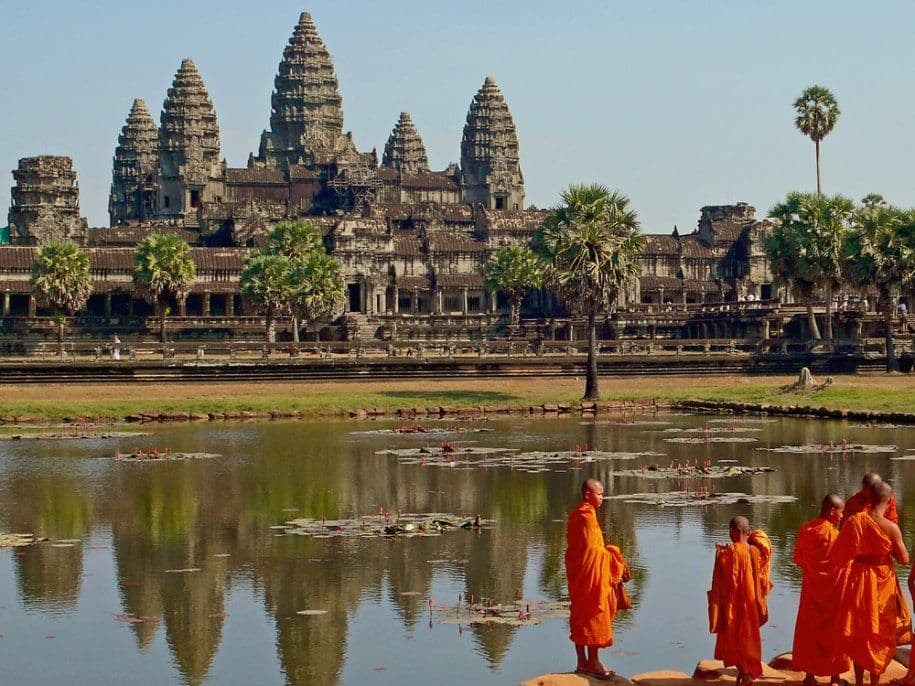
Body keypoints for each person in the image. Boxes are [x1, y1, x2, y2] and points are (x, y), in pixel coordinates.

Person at [830, 482, 911, 686]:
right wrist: (888, 550)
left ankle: (859, 681)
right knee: (879, 633)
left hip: (859, 580)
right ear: (889, 500)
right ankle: (873, 682)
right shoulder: (892, 528)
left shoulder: (854, 521)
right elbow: (904, 559)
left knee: (859, 632)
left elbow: (838, 557)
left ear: (869, 498)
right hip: (883, 580)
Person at [565, 478, 631, 681]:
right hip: (590, 576)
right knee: (594, 611)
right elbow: (593, 551)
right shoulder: (586, 517)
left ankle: (581, 662)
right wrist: (614, 553)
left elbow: (578, 550)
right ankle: (592, 662)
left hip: (580, 574)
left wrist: (606, 552)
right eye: (600, 494)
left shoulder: (577, 514)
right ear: (588, 495)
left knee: (580, 613)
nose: (603, 497)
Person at [792, 494, 851, 686]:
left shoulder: (806, 530)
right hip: (834, 594)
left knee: (810, 631)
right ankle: (835, 678)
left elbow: (798, 559)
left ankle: (809, 676)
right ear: (832, 511)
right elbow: (846, 563)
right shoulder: (835, 536)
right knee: (835, 631)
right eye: (841, 512)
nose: (842, 517)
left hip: (811, 591)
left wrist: (814, 570)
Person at [708, 517, 772, 686]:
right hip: (751, 604)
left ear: (732, 532)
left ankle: (744, 672)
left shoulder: (726, 553)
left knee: (733, 637)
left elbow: (718, 581)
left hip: (731, 605)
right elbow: (763, 572)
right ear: (748, 532)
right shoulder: (755, 552)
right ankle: (746, 672)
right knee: (748, 636)